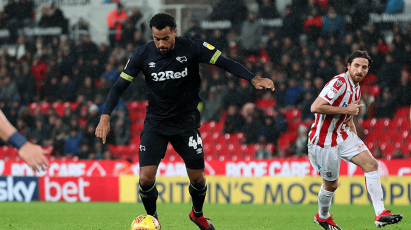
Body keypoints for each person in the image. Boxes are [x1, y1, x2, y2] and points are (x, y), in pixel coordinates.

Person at [95, 13, 274, 230]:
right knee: (145, 179)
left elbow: (225, 62)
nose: (160, 44)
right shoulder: (142, 54)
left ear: (174, 32)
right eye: (156, 38)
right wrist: (105, 116)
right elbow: (118, 87)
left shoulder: (192, 47)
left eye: (165, 38)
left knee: (198, 179)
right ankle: (153, 220)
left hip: (186, 125)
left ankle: (197, 214)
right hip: (156, 125)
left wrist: (252, 78)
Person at [308, 51, 402, 229]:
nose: (360, 70)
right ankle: (323, 217)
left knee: (371, 164)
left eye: (364, 67)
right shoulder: (339, 83)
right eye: (357, 65)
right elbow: (316, 107)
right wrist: (346, 111)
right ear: (348, 65)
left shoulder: (356, 87)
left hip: (343, 135)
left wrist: (356, 141)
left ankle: (380, 214)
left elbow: (349, 116)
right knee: (331, 185)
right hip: (324, 140)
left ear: (367, 70)